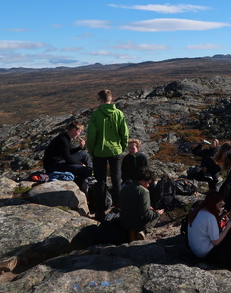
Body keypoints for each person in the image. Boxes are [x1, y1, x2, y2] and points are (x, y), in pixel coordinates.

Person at [88, 89, 129, 220]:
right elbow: (125, 134)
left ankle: (100, 210)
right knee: (116, 179)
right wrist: (121, 147)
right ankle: (118, 206)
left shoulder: (95, 115)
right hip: (115, 151)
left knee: (101, 181)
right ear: (111, 99)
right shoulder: (119, 113)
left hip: (99, 152)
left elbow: (91, 136)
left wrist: (91, 151)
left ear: (100, 100)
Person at [42, 121, 93, 187]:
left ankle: (89, 173)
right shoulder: (63, 140)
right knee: (81, 168)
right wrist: (81, 164)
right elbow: (68, 159)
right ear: (74, 130)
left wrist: (80, 147)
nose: (79, 134)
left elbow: (67, 153)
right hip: (53, 166)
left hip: (61, 161)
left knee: (84, 154)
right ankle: (82, 183)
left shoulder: (65, 137)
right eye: (79, 132)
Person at [119, 167, 163, 241]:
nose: (148, 185)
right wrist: (156, 213)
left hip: (124, 222)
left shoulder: (125, 188)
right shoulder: (144, 191)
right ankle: (142, 231)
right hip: (137, 223)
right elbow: (145, 213)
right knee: (156, 216)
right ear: (143, 181)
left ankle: (132, 232)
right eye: (148, 183)